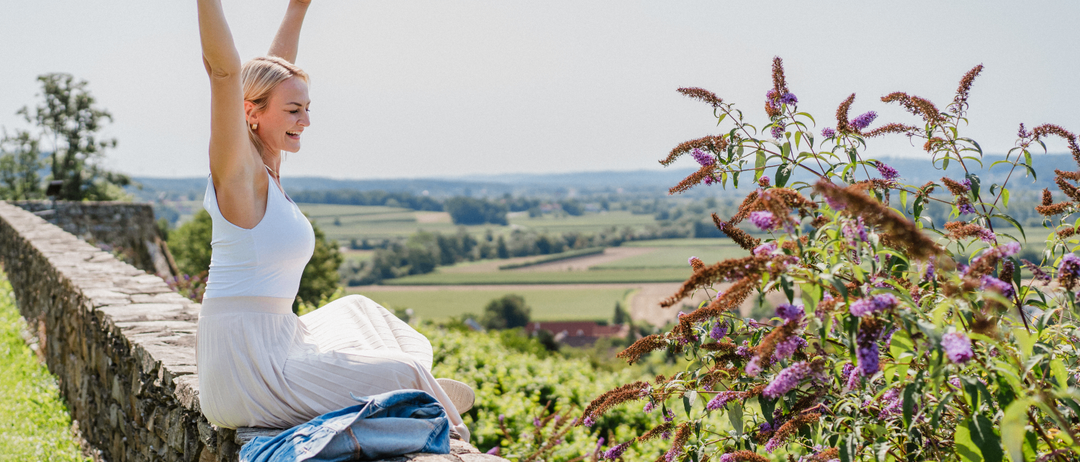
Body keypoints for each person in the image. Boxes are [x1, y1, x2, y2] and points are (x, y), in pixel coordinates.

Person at [194, 0, 473, 441]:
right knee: (402, 366)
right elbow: (226, 74)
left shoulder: (268, 170)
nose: (305, 120)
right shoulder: (238, 178)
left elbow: (271, 74)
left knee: (358, 311)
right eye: (293, 111)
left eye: (307, 108)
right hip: (247, 369)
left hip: (276, 340)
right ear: (250, 112)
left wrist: (297, 7)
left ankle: (406, 389)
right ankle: (432, 412)